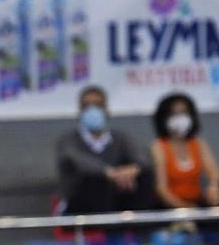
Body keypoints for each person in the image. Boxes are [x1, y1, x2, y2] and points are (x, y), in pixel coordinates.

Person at [55, 85, 154, 214]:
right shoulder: (67, 141)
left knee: (144, 176)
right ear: (80, 111)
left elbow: (143, 158)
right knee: (95, 180)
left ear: (107, 109)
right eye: (86, 106)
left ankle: (142, 228)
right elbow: (80, 161)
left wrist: (134, 168)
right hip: (79, 203)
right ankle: (108, 228)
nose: (93, 110)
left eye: (98, 105)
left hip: (116, 200)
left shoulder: (120, 138)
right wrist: (109, 173)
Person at [150, 92, 219, 209]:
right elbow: (161, 189)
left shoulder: (198, 144)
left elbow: (214, 172)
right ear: (164, 118)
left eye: (184, 113)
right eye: (174, 114)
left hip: (197, 204)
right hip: (170, 208)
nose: (180, 118)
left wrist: (214, 185)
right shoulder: (158, 147)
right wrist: (184, 209)